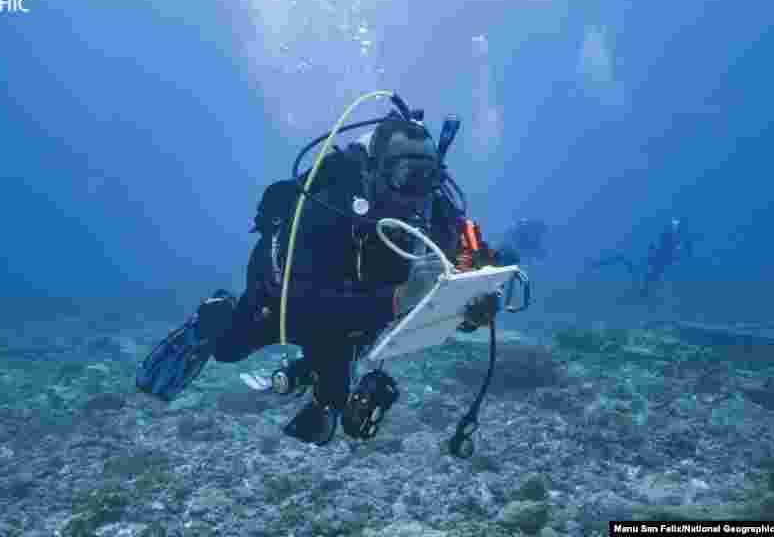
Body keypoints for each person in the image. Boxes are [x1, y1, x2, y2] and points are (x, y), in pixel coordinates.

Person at [136, 104, 503, 446]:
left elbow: (449, 286)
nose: (418, 193)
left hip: (358, 314)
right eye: (407, 176)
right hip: (281, 300)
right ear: (375, 172)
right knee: (229, 349)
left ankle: (311, 377)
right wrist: (397, 300)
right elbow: (302, 301)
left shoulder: (436, 211)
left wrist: (469, 311)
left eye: (429, 178)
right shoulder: (327, 206)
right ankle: (215, 315)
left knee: (332, 396)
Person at [590, 217, 693, 298]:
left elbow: (666, 249)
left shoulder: (675, 239)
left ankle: (643, 292)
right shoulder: (672, 238)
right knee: (629, 263)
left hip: (654, 262)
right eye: (675, 223)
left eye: (676, 224)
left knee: (640, 270)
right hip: (653, 261)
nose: (675, 225)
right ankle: (598, 264)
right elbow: (663, 247)